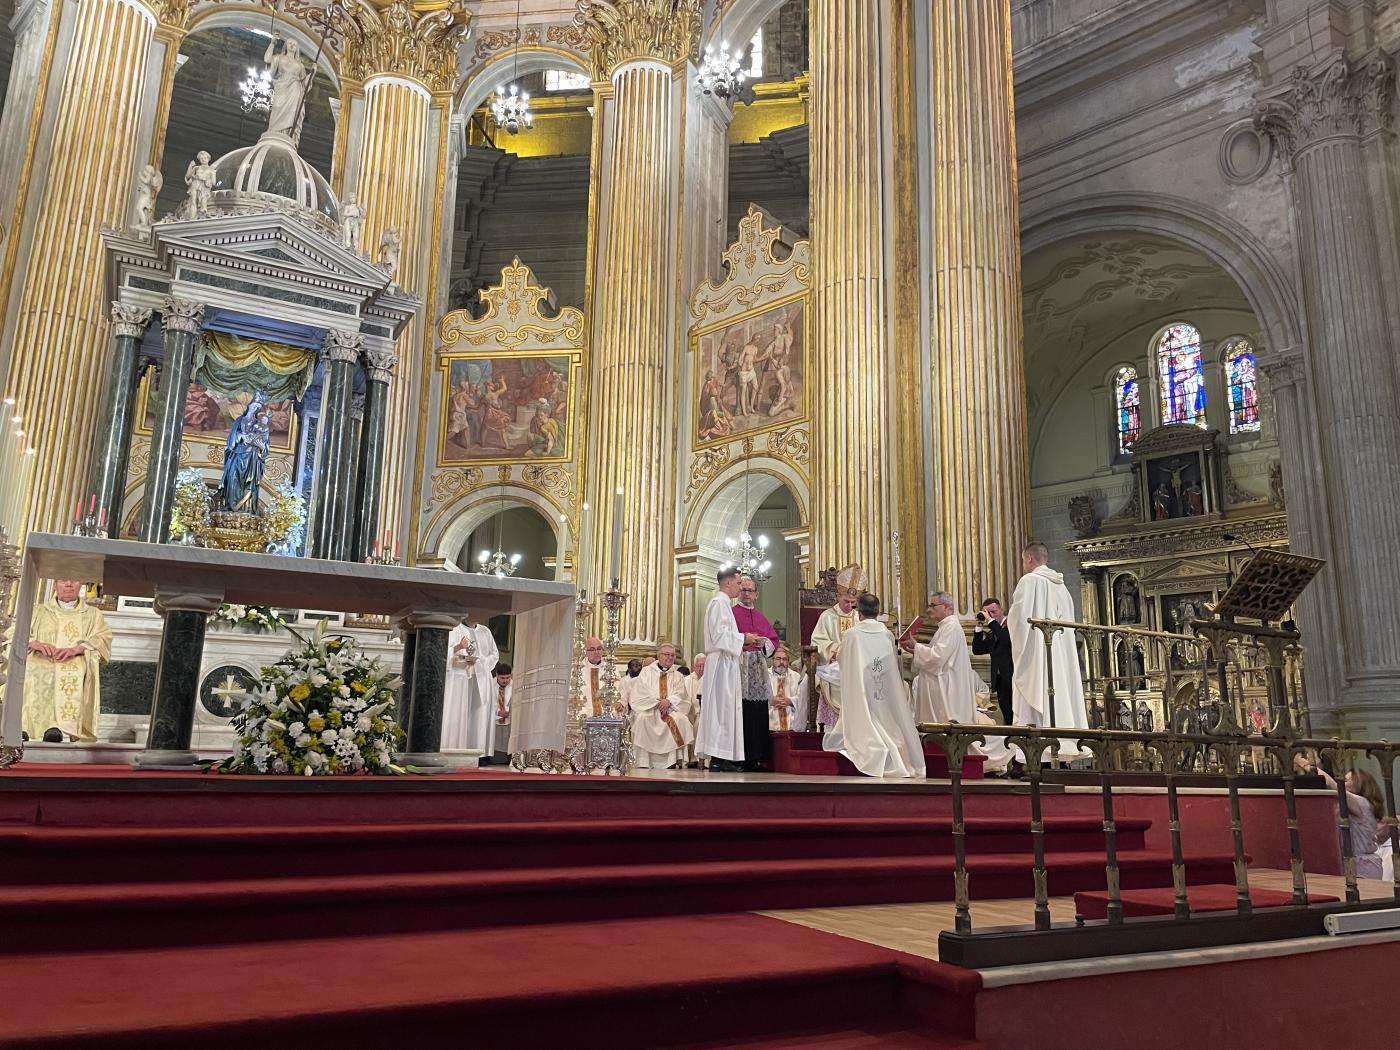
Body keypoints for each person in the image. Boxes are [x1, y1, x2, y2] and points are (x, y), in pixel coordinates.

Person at [830, 594, 925, 779]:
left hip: (861, 689)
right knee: (885, 718)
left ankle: (874, 748)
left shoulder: (852, 634)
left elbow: (843, 660)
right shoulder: (887, 634)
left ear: (859, 612)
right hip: (883, 688)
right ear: (878, 611)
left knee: (866, 713)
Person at [1009, 541, 1088, 759]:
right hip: (1059, 656)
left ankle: (1037, 758)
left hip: (1037, 656)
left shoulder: (1029, 581)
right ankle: (1059, 752)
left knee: (1037, 695)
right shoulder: (1061, 587)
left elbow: (1020, 621)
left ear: (1029, 559)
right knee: (1057, 696)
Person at [22, 580, 112, 742]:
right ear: (55, 585)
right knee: (32, 668)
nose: (69, 585)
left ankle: (63, 730)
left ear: (81, 586)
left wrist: (77, 649)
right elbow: (14, 632)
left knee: (76, 671)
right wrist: (35, 643)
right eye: (63, 580)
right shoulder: (37, 611)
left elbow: (103, 637)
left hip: (75, 660)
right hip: (39, 659)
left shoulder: (92, 614)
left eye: (74, 581)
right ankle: (28, 729)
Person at [1295, 755, 1387, 879]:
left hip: (1362, 867)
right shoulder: (1350, 805)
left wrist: (1303, 763)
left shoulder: (1362, 803)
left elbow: (1332, 785)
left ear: (1359, 784)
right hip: (1351, 863)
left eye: (1346, 780)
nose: (1342, 783)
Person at [697, 568, 748, 772]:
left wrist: (741, 638)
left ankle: (724, 754)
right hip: (720, 663)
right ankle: (717, 757)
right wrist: (745, 638)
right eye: (738, 583)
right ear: (728, 583)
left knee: (726, 710)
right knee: (721, 710)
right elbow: (719, 636)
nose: (740, 587)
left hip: (726, 661)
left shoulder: (724, 604)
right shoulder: (719, 603)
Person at [904, 591, 977, 724]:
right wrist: (915, 650)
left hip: (947, 688)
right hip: (942, 686)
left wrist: (917, 647)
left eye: (933, 605)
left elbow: (938, 657)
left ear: (946, 607)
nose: (928, 609)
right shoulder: (945, 627)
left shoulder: (951, 627)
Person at [811, 564, 864, 748]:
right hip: (833, 665)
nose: (850, 606)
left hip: (856, 665)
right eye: (846, 601)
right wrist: (834, 652)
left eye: (853, 602)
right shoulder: (827, 616)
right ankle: (835, 732)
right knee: (838, 681)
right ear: (838, 596)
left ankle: (860, 731)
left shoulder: (859, 617)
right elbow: (817, 642)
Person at [732, 576, 779, 771]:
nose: (746, 594)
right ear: (738, 592)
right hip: (739, 667)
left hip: (757, 668)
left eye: (750, 591)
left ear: (756, 595)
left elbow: (774, 641)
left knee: (758, 711)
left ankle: (757, 756)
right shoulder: (731, 613)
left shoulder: (761, 617)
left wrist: (765, 643)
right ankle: (740, 757)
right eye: (743, 590)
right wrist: (745, 640)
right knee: (741, 710)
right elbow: (726, 636)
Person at [628, 644, 694, 769]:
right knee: (642, 719)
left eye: (672, 655)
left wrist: (669, 701)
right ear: (658, 656)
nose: (669, 658)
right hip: (650, 709)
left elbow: (682, 695)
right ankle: (644, 761)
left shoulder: (678, 675)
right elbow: (640, 692)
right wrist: (657, 702)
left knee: (681, 720)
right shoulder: (647, 672)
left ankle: (672, 760)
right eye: (666, 654)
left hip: (671, 710)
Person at [441, 615, 499, 758]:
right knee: (460, 714)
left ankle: (480, 753)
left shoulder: (485, 631)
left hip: (482, 677)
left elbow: (494, 655)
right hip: (459, 677)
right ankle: (457, 749)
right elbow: (446, 651)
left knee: (479, 715)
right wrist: (460, 648)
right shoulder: (455, 628)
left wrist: (479, 662)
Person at [971, 597, 1014, 724]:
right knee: (1006, 713)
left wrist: (990, 621)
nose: (991, 616)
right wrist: (979, 626)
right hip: (1000, 680)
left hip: (1012, 677)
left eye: (993, 612)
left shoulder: (1011, 626)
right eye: (988, 613)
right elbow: (977, 649)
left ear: (1001, 610)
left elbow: (1006, 640)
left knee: (1015, 712)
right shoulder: (992, 632)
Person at [264, 33, 311, 144]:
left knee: (291, 112)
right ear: (285, 46)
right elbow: (267, 59)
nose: (292, 45)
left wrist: (311, 74)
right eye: (289, 43)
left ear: (297, 49)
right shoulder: (279, 58)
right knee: (277, 107)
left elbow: (304, 84)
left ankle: (286, 133)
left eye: (294, 44)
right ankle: (274, 131)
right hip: (281, 86)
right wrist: (272, 43)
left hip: (294, 90)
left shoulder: (300, 66)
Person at [768, 646, 808, 732]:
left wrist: (790, 701)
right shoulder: (765, 676)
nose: (781, 662)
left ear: (788, 661)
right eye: (778, 659)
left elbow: (802, 698)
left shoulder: (796, 676)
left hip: (791, 725)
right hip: (769, 725)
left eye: (784, 659)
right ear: (772, 660)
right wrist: (771, 701)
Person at [683, 652, 706, 767]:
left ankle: (701, 759)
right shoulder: (686, 681)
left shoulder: (711, 679)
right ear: (694, 666)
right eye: (699, 666)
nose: (701, 669)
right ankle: (691, 758)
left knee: (701, 721)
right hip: (689, 713)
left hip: (703, 714)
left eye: (704, 666)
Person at [492, 662, 513, 760]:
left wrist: (508, 712)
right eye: (502, 678)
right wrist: (498, 712)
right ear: (497, 676)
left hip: (509, 719)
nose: (505, 681)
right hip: (494, 718)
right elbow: (486, 704)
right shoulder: (490, 685)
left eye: (508, 678)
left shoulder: (515, 686)